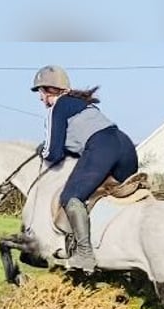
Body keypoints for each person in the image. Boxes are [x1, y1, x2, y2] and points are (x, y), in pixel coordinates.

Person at [31, 64, 139, 274]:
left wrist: (40, 150)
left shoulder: (58, 107)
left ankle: (85, 254)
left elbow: (53, 152)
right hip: (126, 147)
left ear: (49, 90)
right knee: (105, 195)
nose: (40, 98)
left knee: (71, 196)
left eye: (41, 92)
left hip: (101, 147)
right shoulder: (84, 105)